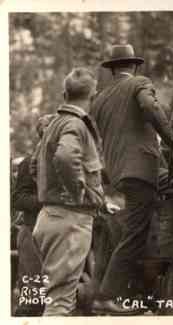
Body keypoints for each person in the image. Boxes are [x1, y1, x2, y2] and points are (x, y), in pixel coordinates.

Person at [90, 44, 173, 314]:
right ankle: (105, 296)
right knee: (135, 234)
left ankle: (142, 289)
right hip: (140, 169)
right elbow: (149, 106)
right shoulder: (140, 82)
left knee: (138, 226)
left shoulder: (100, 99)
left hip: (117, 172)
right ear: (134, 66)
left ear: (113, 69)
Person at [32, 68, 104, 316]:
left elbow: (34, 165)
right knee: (61, 304)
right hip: (69, 219)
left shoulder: (54, 124)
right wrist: (78, 193)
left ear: (64, 94)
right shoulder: (75, 124)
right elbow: (64, 157)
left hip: (50, 217)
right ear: (93, 94)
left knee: (56, 300)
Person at [12, 114, 54, 316]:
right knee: (32, 297)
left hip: (57, 234)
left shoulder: (64, 164)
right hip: (31, 232)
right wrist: (45, 200)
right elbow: (18, 199)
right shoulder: (28, 163)